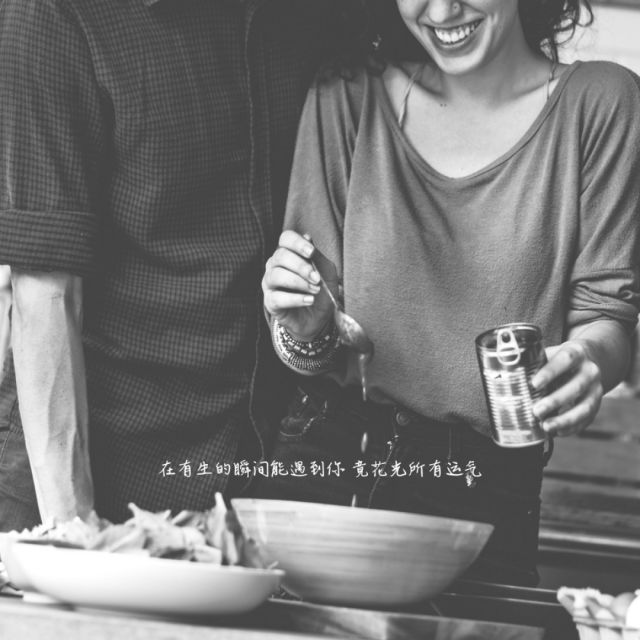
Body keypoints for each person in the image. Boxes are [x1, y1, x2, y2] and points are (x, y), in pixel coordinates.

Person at [260, 0, 640, 585]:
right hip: (326, 460)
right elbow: (315, 349)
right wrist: (305, 329)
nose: (441, 10)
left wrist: (588, 359)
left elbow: (606, 316)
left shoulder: (602, 102)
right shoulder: (346, 94)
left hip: (487, 484)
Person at [0, 0, 353, 530]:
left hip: (256, 479)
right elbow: (46, 293)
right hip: (89, 482)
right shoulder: (52, 12)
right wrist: (74, 528)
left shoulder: (312, 15)